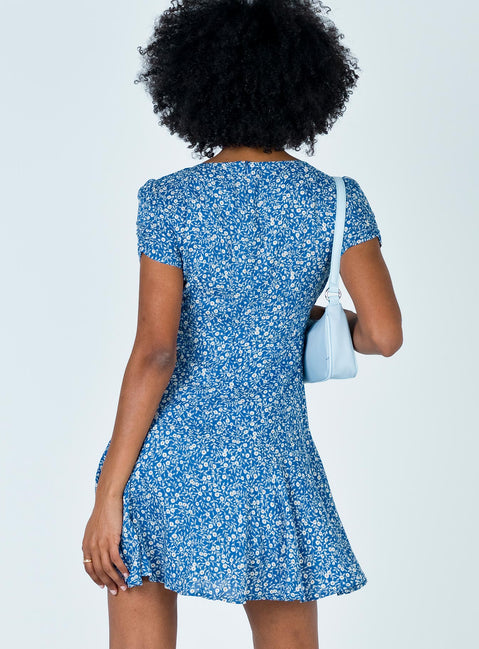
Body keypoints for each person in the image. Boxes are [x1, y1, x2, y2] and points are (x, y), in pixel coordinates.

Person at [82, 1, 403, 647]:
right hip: (271, 459)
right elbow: (382, 335)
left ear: (193, 85)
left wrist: (108, 495)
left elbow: (155, 353)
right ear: (307, 86)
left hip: (163, 457)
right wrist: (287, 312)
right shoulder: (335, 198)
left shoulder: (169, 199)